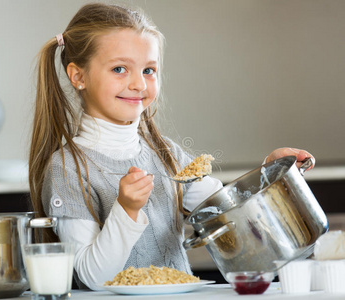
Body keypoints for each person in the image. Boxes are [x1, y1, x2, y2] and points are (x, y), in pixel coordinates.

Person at [28, 3, 314, 290]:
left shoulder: (167, 155)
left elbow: (225, 212)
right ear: (78, 76)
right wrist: (126, 210)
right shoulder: (67, 169)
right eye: (119, 69)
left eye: (149, 70)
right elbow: (91, 278)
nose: (139, 84)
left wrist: (269, 177)